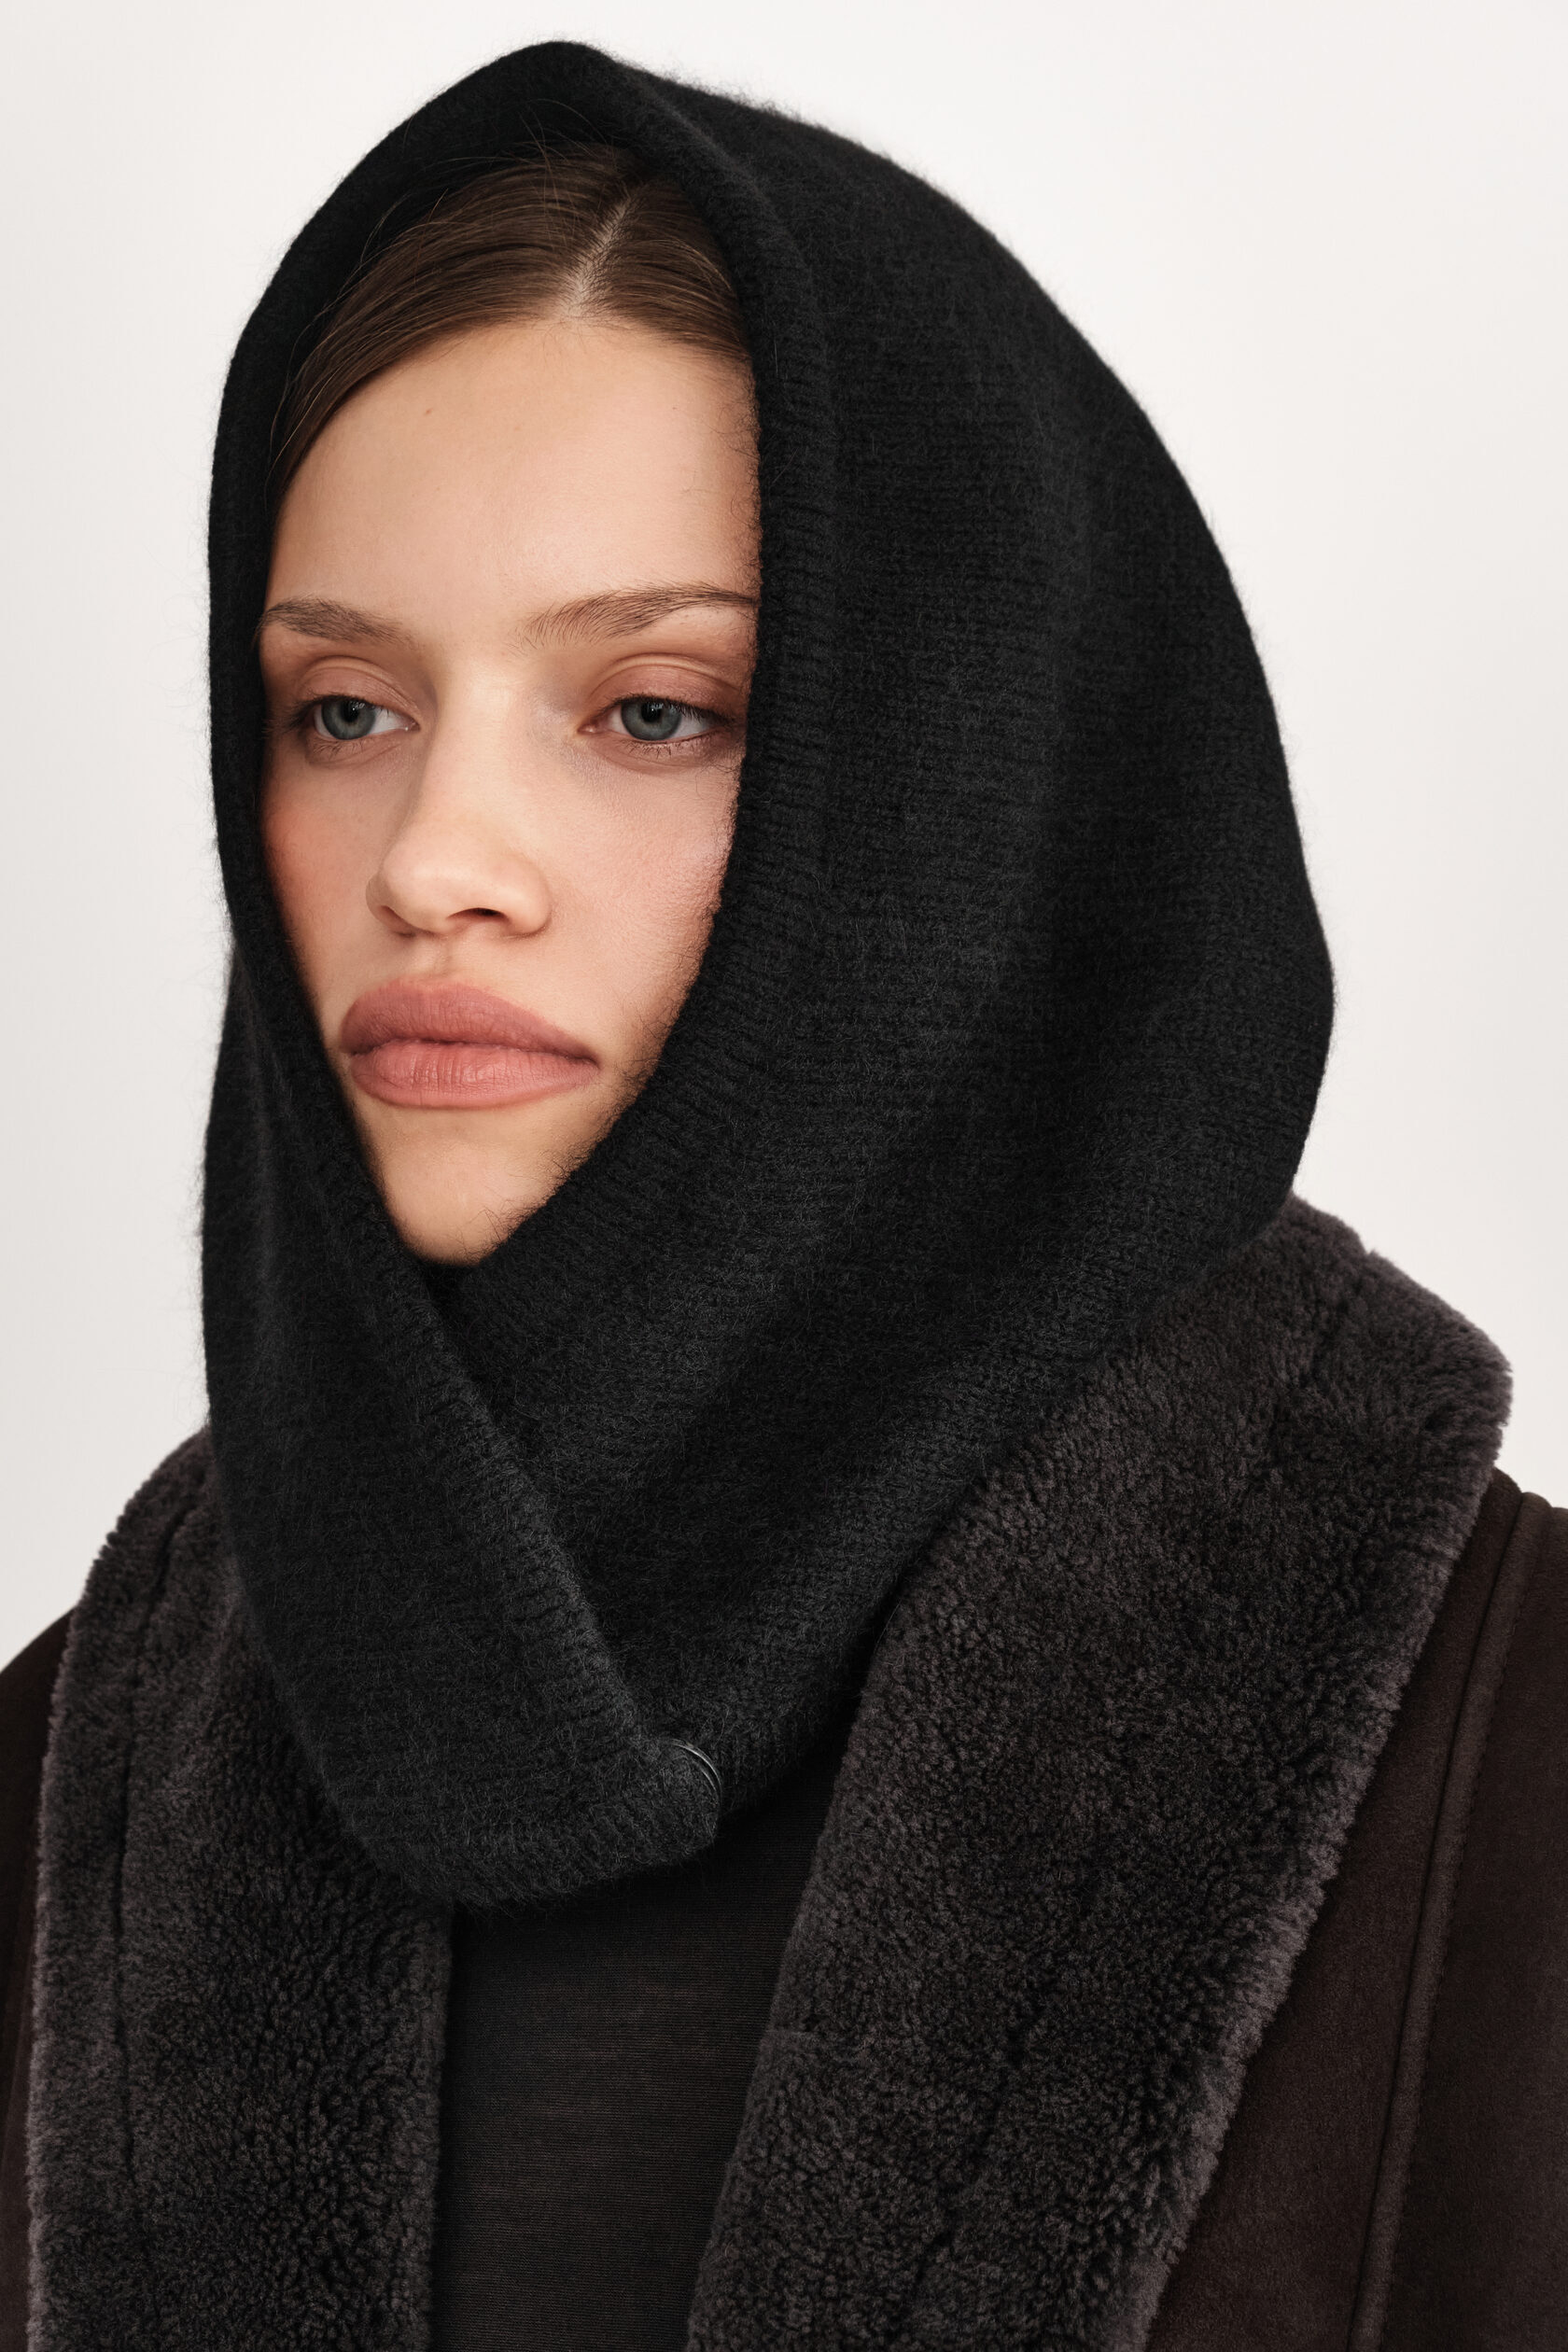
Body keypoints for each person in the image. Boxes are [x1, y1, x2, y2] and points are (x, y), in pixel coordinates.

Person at [1, 40, 1562, 2352]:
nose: (436, 861)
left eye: (654, 711)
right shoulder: (73, 1790)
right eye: (346, 711)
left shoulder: (1506, 1758)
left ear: (958, 780)